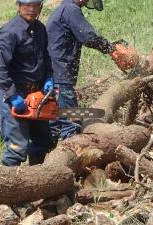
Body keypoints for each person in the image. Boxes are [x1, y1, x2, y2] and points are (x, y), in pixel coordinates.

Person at [0, 0, 55, 166]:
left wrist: (48, 77)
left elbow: (46, 57)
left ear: (40, 6)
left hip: (37, 93)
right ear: (19, 6)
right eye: (27, 6)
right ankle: (9, 189)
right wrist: (12, 95)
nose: (32, 10)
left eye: (35, 6)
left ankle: (37, 185)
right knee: (17, 147)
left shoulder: (40, 29)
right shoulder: (10, 31)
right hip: (14, 93)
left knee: (43, 143)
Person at [46, 0, 115, 140]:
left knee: (54, 122)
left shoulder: (63, 9)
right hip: (61, 75)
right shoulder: (71, 9)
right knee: (71, 121)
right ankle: (66, 156)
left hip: (55, 74)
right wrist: (109, 47)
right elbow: (88, 37)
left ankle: (42, 160)